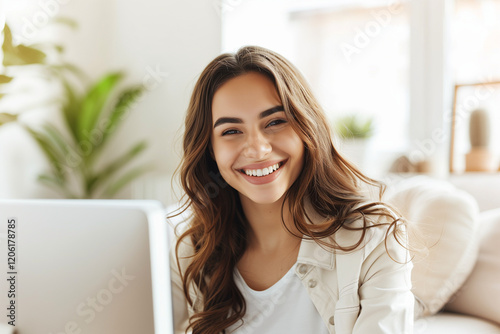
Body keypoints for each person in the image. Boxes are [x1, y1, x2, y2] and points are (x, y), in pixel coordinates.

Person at [169, 45, 414, 334]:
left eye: (275, 122)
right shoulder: (190, 250)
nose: (258, 149)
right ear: (210, 149)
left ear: (306, 128)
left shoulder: (373, 238)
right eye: (231, 131)